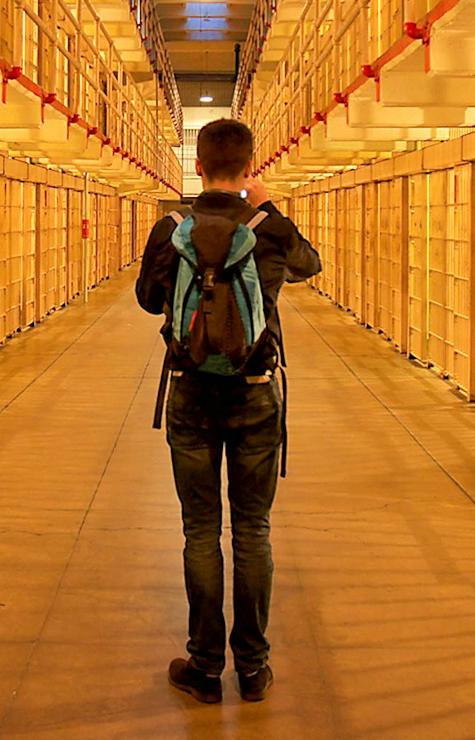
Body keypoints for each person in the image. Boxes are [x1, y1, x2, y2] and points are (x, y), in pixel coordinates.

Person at [136, 117, 322, 704]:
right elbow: (309, 264)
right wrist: (267, 207)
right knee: (253, 531)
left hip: (191, 392)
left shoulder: (171, 228)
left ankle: (205, 666)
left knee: (199, 531)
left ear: (196, 167)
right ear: (248, 168)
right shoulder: (267, 228)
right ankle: (254, 668)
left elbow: (148, 300)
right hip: (256, 393)